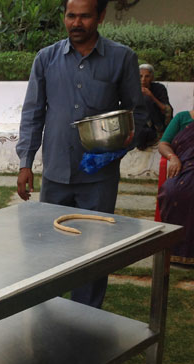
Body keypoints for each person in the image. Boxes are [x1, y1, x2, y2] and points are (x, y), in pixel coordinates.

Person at [15, 0, 146, 308]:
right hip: (56, 174)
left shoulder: (121, 58)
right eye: (71, 15)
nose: (76, 22)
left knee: (94, 252)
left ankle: (86, 320)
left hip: (98, 177)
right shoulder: (46, 59)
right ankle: (48, 314)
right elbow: (33, 113)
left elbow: (136, 114)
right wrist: (25, 163)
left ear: (100, 16)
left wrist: (118, 148)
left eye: (85, 16)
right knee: (46, 250)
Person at [157, 110, 194, 265]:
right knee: (172, 192)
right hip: (184, 166)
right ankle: (176, 250)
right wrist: (172, 157)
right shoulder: (182, 118)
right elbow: (163, 143)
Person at [138, 63, 172, 150]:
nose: (143, 80)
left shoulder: (159, 88)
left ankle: (160, 132)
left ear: (152, 77)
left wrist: (151, 96)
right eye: (140, 76)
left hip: (157, 123)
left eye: (147, 76)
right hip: (142, 123)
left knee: (146, 99)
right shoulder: (133, 89)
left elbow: (167, 109)